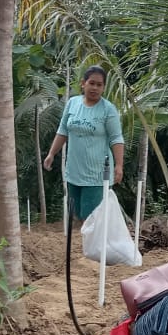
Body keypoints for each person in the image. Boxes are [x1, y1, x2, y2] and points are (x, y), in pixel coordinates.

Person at [43, 65, 124, 220]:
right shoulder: (72, 103)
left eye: (99, 85)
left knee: (92, 218)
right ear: (83, 83)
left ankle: (95, 244)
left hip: (97, 175)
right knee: (78, 214)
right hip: (74, 172)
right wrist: (51, 153)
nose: (94, 88)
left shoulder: (108, 109)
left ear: (104, 88)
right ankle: (90, 243)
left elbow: (116, 138)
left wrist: (119, 165)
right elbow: (63, 130)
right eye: (91, 83)